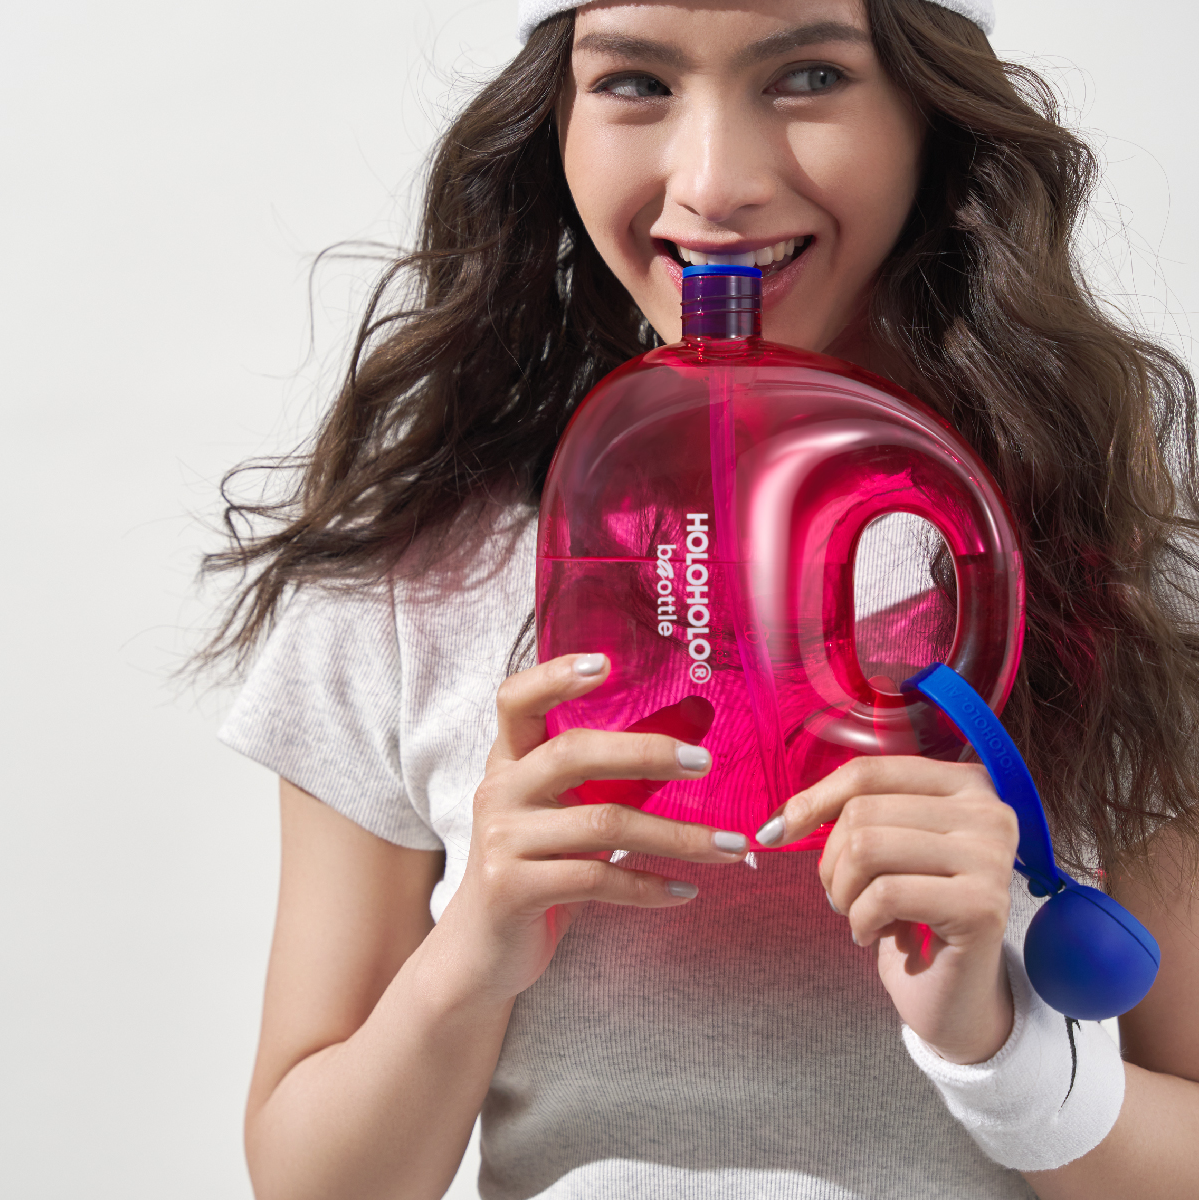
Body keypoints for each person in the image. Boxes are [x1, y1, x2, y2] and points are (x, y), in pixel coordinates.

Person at [206, 1, 1199, 1197]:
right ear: (553, 117)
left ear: (927, 109)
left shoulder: (1117, 577)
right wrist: (471, 954)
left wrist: (1007, 1056)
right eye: (634, 81)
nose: (715, 183)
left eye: (809, 76)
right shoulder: (411, 586)